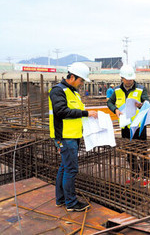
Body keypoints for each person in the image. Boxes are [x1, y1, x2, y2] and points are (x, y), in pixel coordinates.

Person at [49, 62, 98, 212]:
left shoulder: (74, 92)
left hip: (73, 136)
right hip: (65, 137)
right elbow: (61, 111)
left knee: (65, 167)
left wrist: (87, 114)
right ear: (71, 77)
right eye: (81, 80)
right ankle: (71, 203)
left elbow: (77, 111)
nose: (82, 84)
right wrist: (85, 113)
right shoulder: (58, 91)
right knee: (71, 169)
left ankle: (61, 199)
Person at [107, 65, 150, 186]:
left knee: (142, 152)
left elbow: (147, 102)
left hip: (139, 126)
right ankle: (134, 175)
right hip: (125, 127)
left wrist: (142, 105)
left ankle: (146, 176)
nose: (130, 81)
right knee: (129, 152)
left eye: (131, 79)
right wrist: (115, 109)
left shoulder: (141, 89)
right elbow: (109, 102)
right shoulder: (116, 91)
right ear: (122, 78)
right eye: (127, 79)